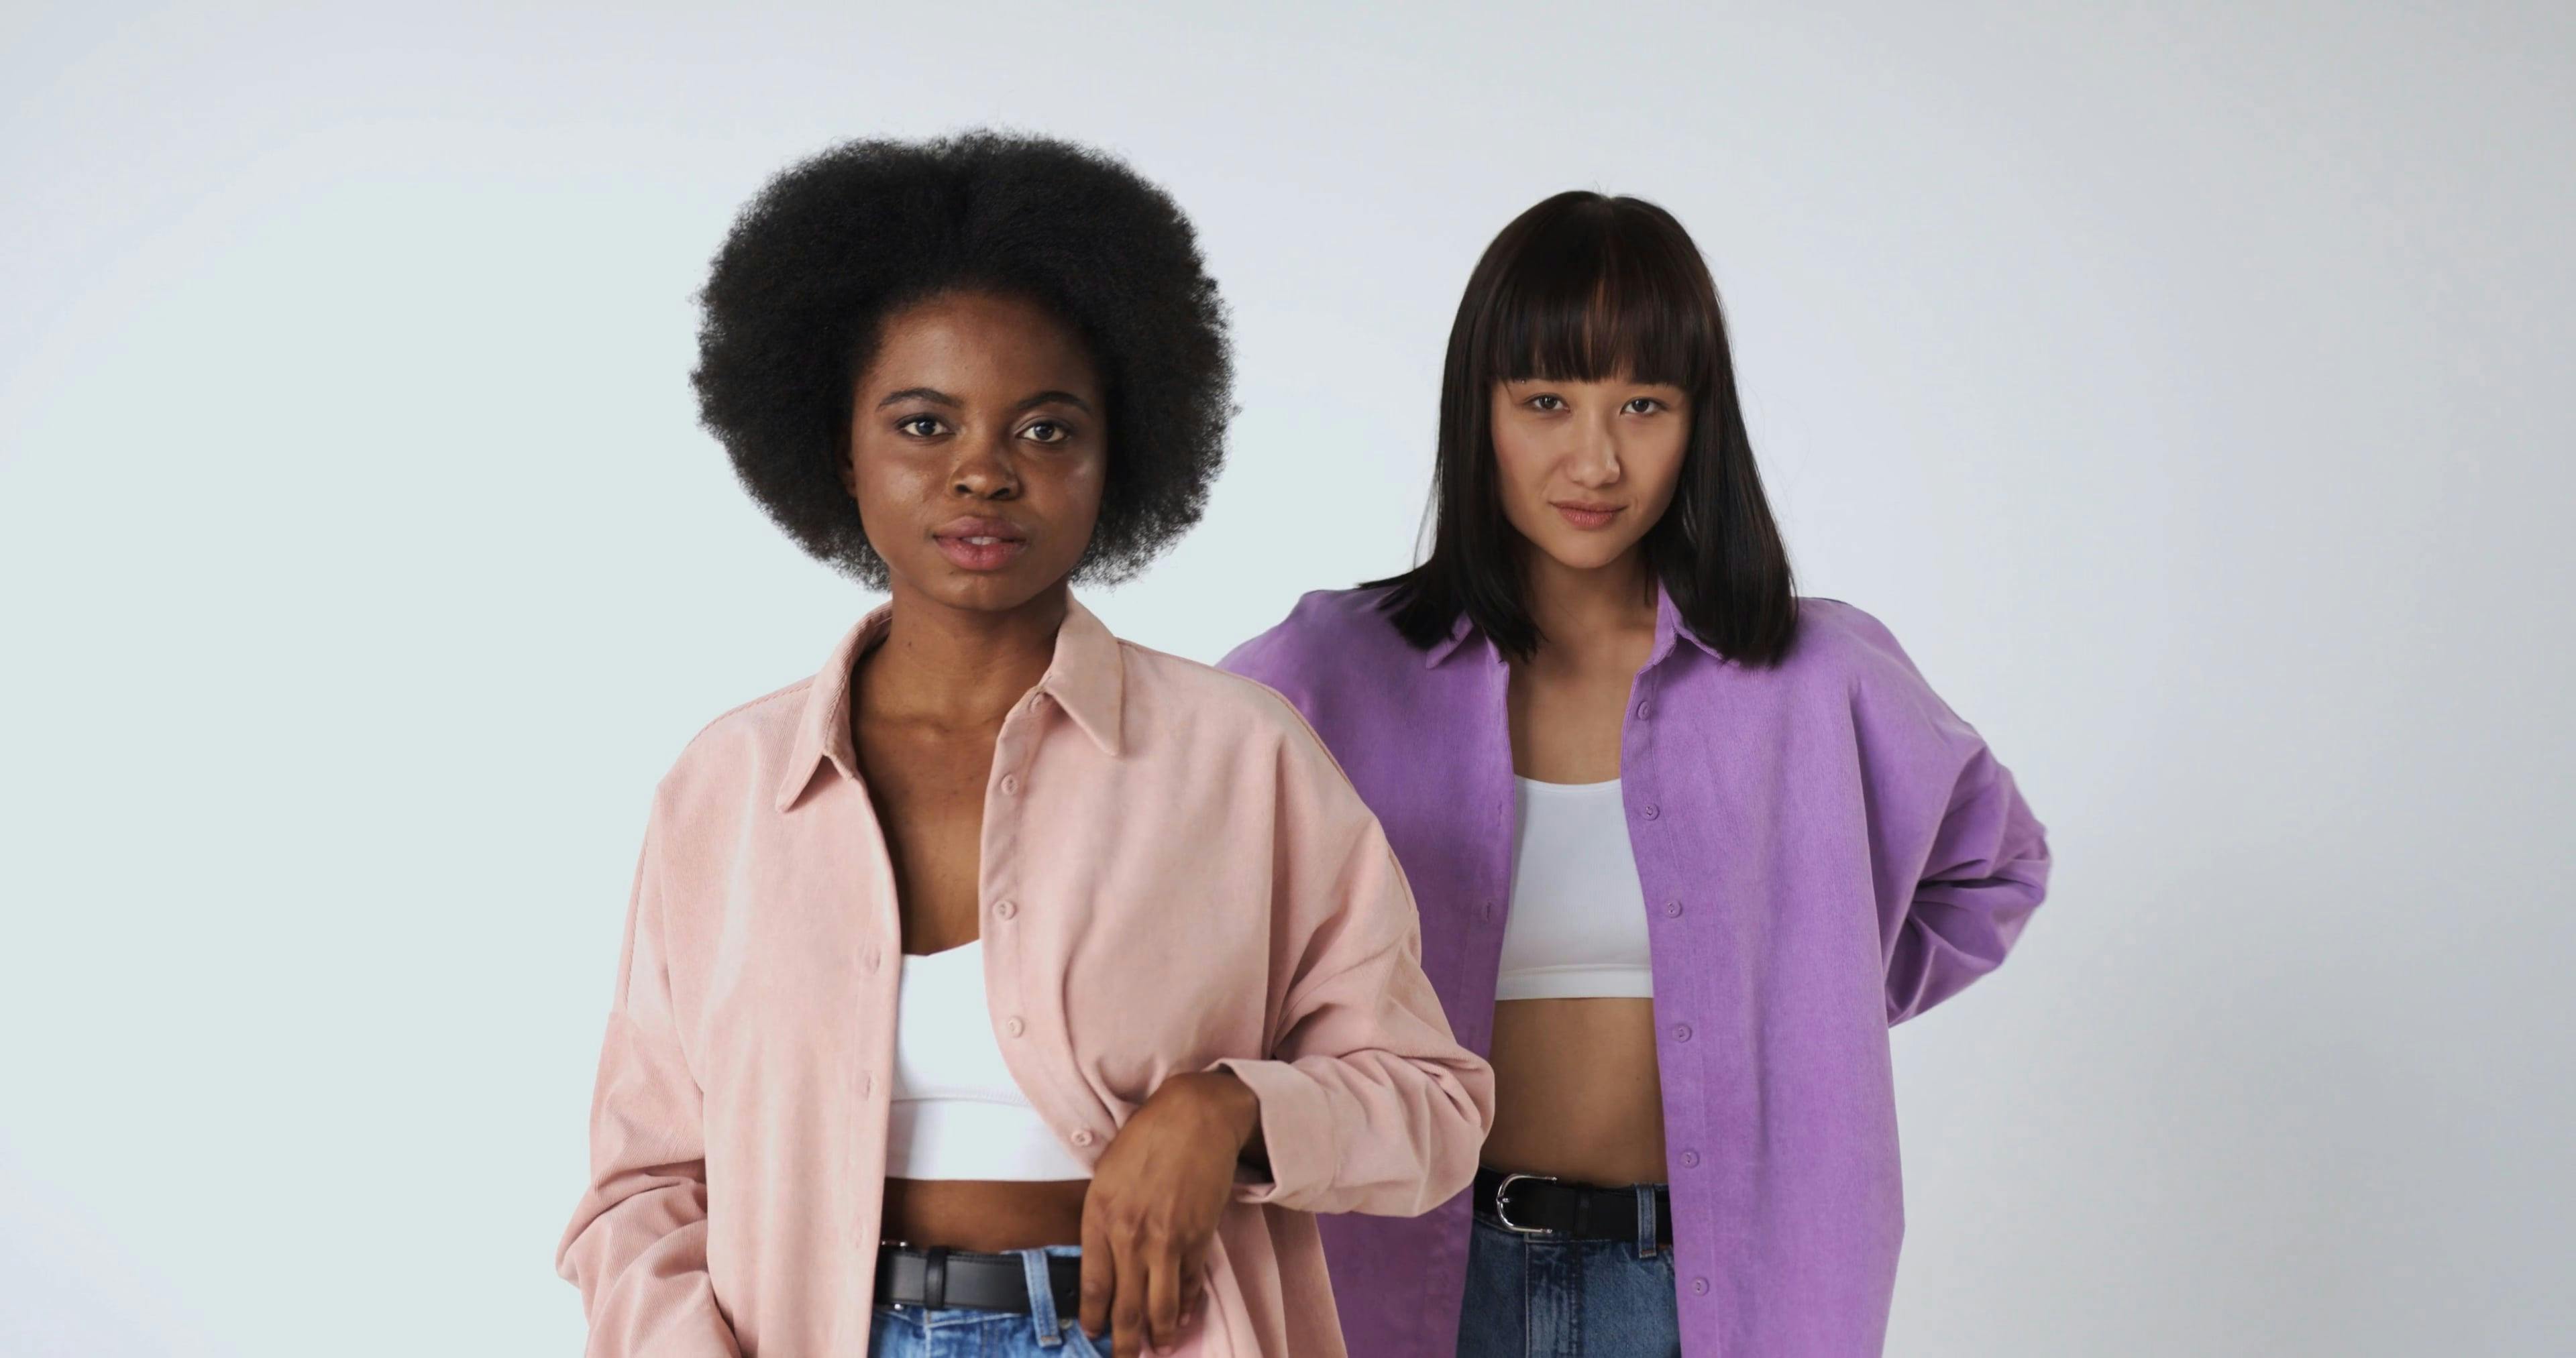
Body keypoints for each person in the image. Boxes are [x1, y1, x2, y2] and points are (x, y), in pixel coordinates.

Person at [556, 131, 1493, 1358]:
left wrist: (1229, 1113)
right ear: (843, 451)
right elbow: (639, 1189)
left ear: (1117, 454)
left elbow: (1434, 1108)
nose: (984, 474)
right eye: (924, 424)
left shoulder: (1241, 758)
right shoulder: (728, 790)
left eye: (1045, 431)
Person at [1222, 190, 2052, 1356]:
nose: (1596, 459)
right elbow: (1173, 890)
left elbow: (1992, 867)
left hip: (1712, 1290)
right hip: (1409, 1272)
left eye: (1645, 405)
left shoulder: (1820, 678)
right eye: (1546, 402)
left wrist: (1798, 1002)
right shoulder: (1330, 672)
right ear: (1479, 411)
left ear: (1699, 419)